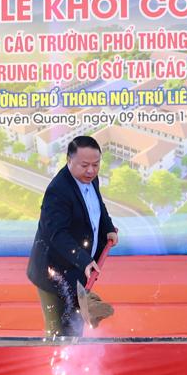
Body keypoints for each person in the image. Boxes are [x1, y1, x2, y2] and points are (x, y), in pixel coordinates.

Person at [26, 135, 117, 338]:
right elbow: (57, 234)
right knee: (59, 332)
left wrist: (108, 227)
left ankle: (77, 357)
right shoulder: (58, 191)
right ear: (69, 160)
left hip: (76, 267)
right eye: (85, 165)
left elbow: (97, 206)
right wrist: (84, 260)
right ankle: (56, 365)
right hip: (54, 273)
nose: (91, 170)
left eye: (96, 164)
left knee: (75, 325)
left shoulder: (91, 179)